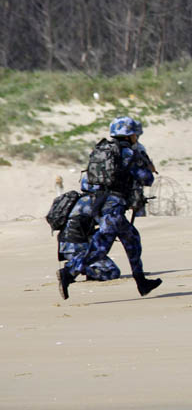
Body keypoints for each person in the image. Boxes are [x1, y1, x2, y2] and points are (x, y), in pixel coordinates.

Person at [57, 117, 160, 299]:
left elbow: (87, 181)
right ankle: (69, 272)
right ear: (130, 135)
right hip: (113, 206)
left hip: (102, 202)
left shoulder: (103, 151)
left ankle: (141, 281)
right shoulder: (128, 153)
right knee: (100, 247)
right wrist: (148, 167)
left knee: (133, 240)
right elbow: (147, 179)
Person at [58, 190, 121, 281]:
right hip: (76, 249)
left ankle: (76, 267)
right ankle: (70, 269)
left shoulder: (83, 200)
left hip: (67, 246)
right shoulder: (97, 202)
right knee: (112, 272)